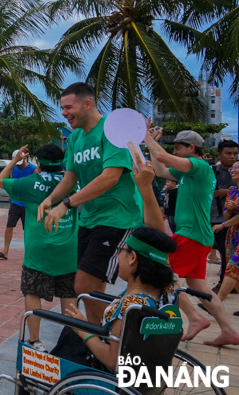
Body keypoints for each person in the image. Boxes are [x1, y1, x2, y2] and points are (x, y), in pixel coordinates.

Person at [38, 83, 141, 325]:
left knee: (83, 285)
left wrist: (66, 204)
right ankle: (102, 338)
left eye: (68, 107)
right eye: (61, 108)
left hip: (118, 218)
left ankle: (104, 338)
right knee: (92, 287)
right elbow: (70, 178)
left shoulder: (111, 130)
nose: (63, 113)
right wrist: (50, 199)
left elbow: (110, 177)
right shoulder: (74, 137)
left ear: (87, 104)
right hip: (90, 219)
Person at [62, 158, 177, 372]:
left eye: (121, 251)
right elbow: (159, 239)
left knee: (66, 339)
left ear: (133, 258)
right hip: (147, 372)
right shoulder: (166, 294)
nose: (117, 257)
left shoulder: (127, 309)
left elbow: (113, 362)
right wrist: (144, 186)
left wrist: (82, 329)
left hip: (111, 376)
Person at [145, 127, 239, 346]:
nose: (175, 152)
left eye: (178, 148)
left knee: (161, 271)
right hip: (197, 235)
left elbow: (162, 156)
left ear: (191, 148)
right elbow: (160, 169)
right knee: (199, 286)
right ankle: (228, 331)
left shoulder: (198, 165)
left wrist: (147, 138)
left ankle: (195, 318)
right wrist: (151, 144)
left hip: (191, 235)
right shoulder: (188, 172)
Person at [0, 144, 77, 352]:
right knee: (68, 293)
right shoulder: (73, 183)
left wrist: (15, 160)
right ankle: (73, 338)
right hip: (68, 250)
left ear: (38, 163)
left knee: (32, 292)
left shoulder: (30, 183)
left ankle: (35, 341)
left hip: (38, 251)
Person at [0, 149, 36, 260]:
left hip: (27, 204)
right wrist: (10, 195)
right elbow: (11, 181)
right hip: (15, 203)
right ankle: (5, 251)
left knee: (27, 229)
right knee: (9, 226)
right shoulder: (13, 168)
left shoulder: (33, 169)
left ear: (25, 158)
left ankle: (30, 251)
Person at [209, 140, 238, 285]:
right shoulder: (213, 171)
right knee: (221, 250)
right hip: (214, 216)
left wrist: (225, 192)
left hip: (232, 222)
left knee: (228, 253)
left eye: (235, 153)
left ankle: (224, 283)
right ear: (219, 155)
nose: (232, 157)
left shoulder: (237, 171)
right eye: (228, 153)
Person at [212, 160, 239, 306]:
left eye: (237, 167)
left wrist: (223, 225)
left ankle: (216, 302)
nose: (233, 170)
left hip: (230, 230)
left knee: (233, 266)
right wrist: (229, 210)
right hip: (233, 235)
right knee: (235, 271)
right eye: (232, 168)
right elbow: (226, 215)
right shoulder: (232, 191)